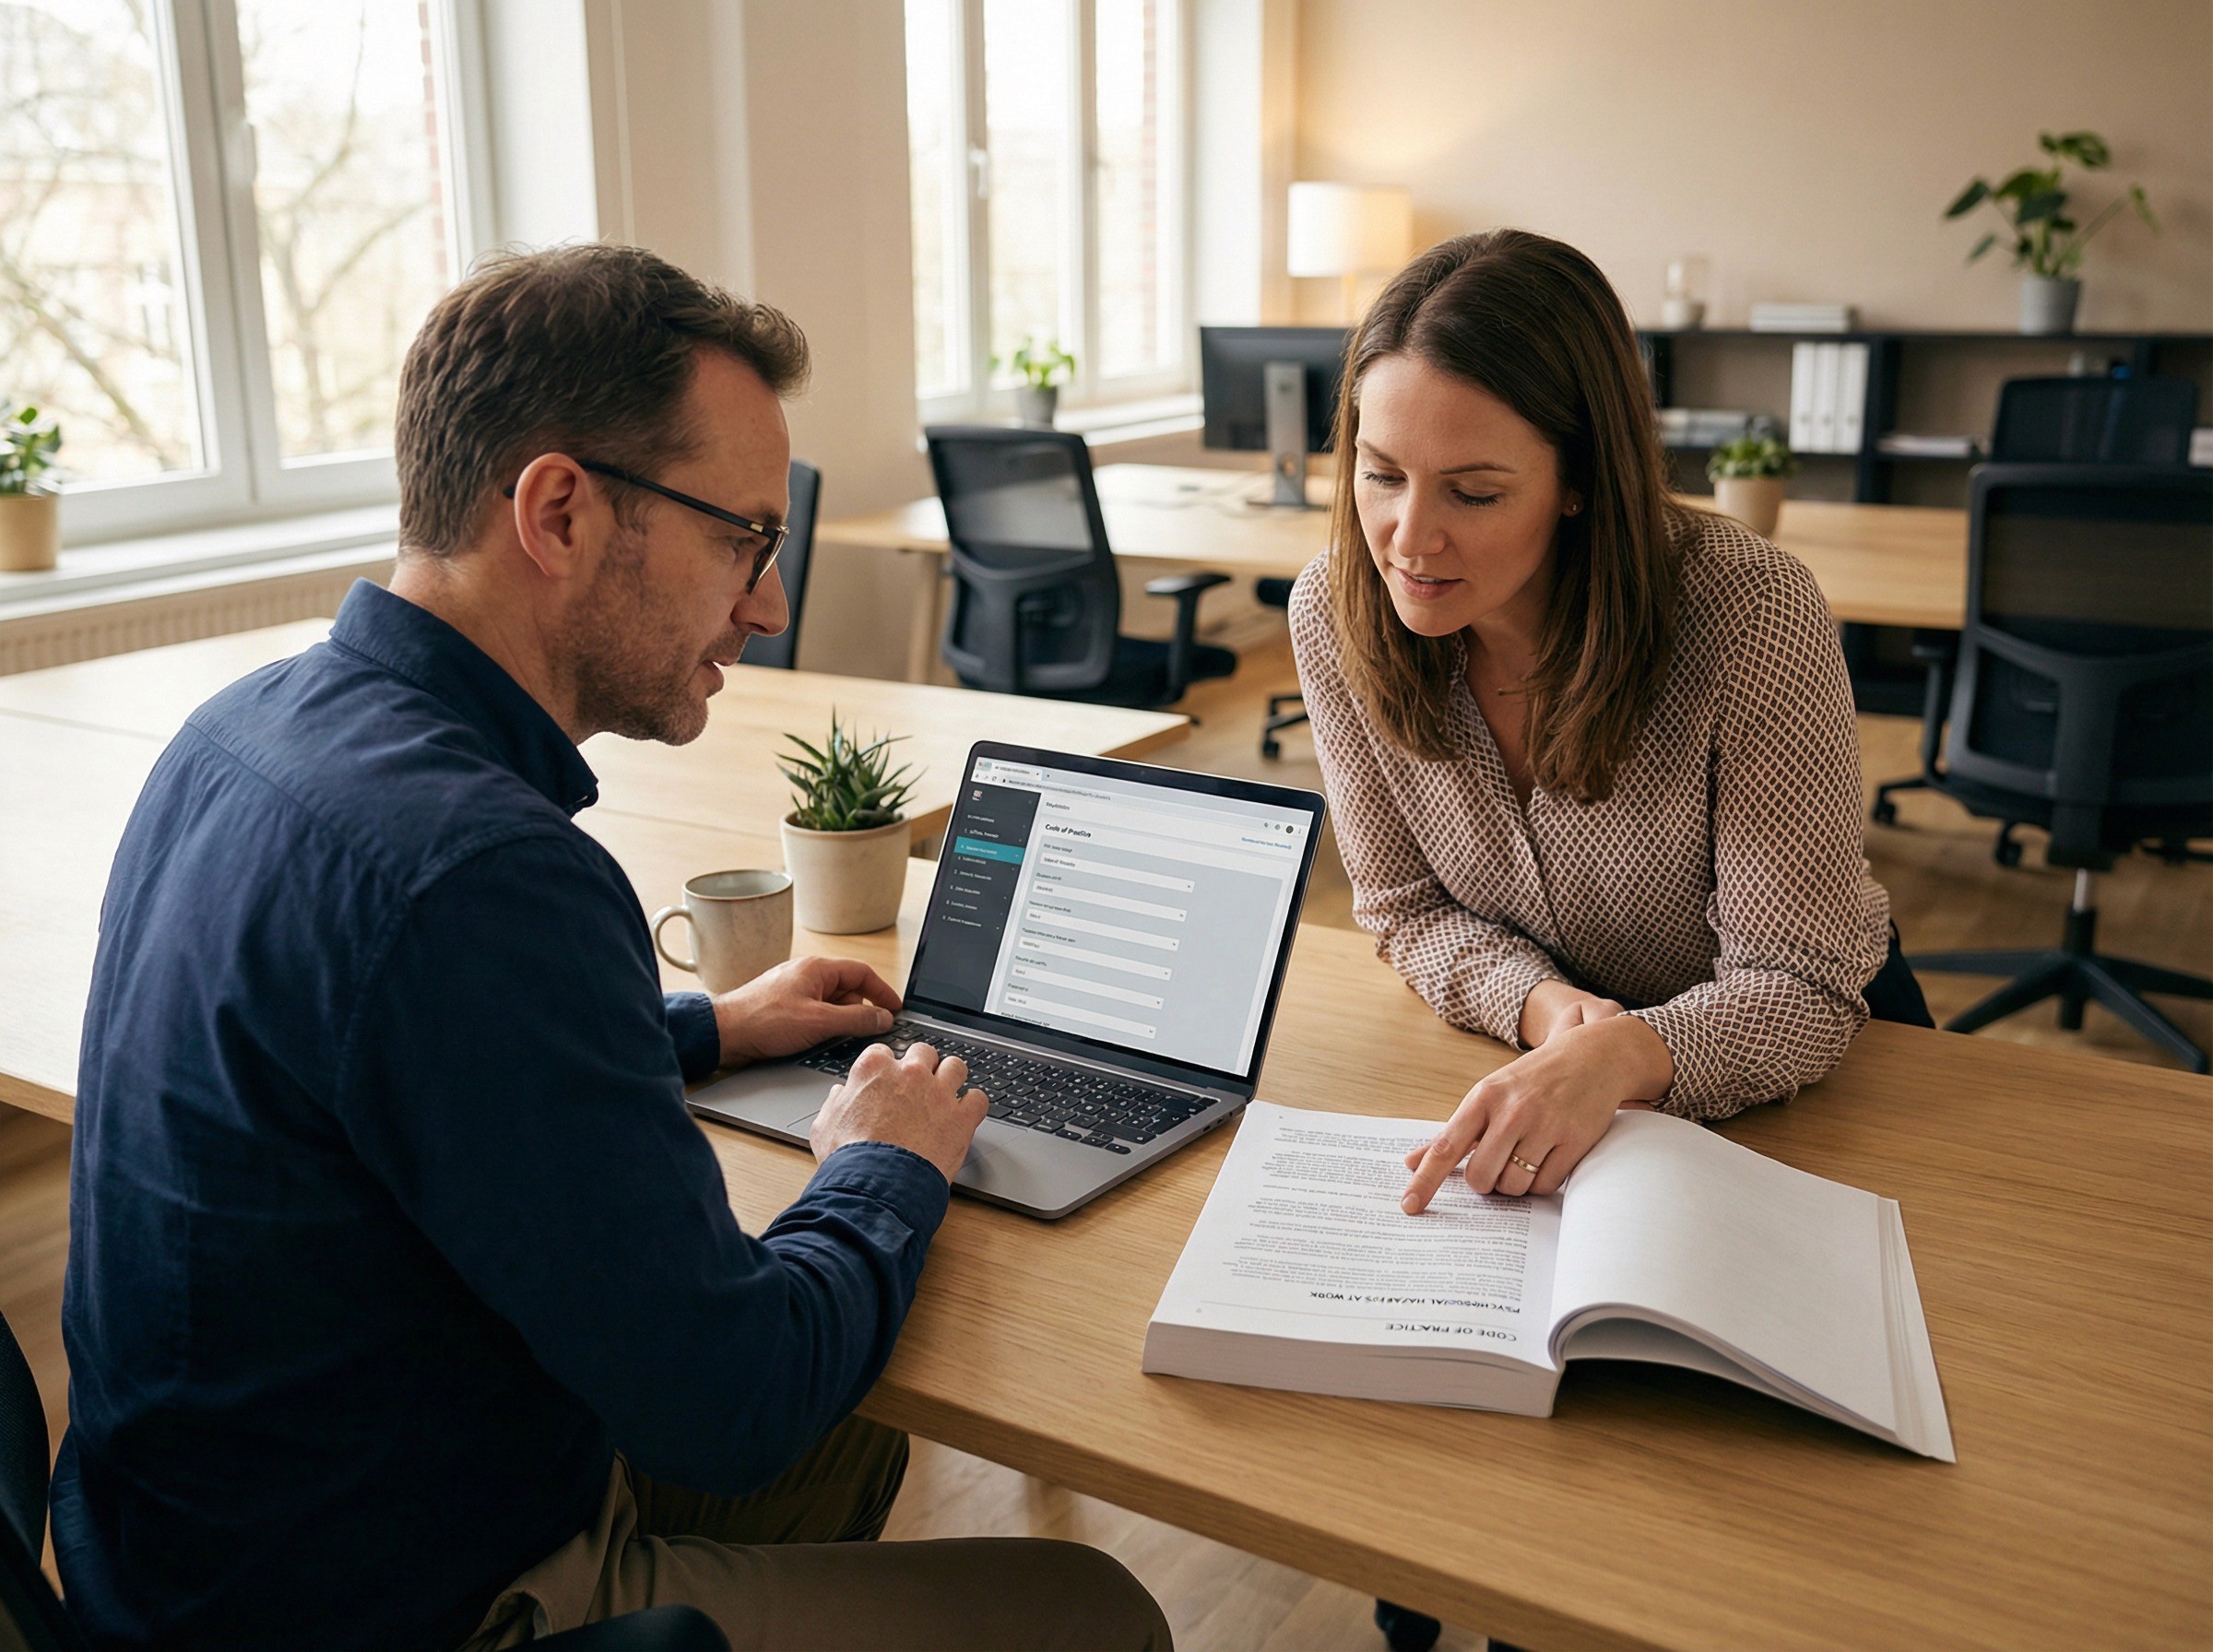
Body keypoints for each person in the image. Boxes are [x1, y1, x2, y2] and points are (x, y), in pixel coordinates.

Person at [54, 243, 1171, 1652]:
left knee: (855, 1436)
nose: (766, 603)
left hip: (188, 1560)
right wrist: (881, 1163)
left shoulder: (245, 731)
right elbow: (736, 1398)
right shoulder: (486, 870)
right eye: (743, 539)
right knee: (1094, 1613)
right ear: (562, 511)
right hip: (391, 1610)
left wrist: (702, 1026)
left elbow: (376, 1070)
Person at [1289, 228, 1933, 1224]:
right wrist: (1549, 1013)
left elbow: (1799, 982)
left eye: (1474, 492)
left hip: (1801, 1071)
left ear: (1580, 479)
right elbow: (1406, 908)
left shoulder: (1749, 611)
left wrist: (1623, 1053)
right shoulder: (1334, 611)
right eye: (1380, 474)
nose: (1409, 540)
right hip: (1547, 1065)